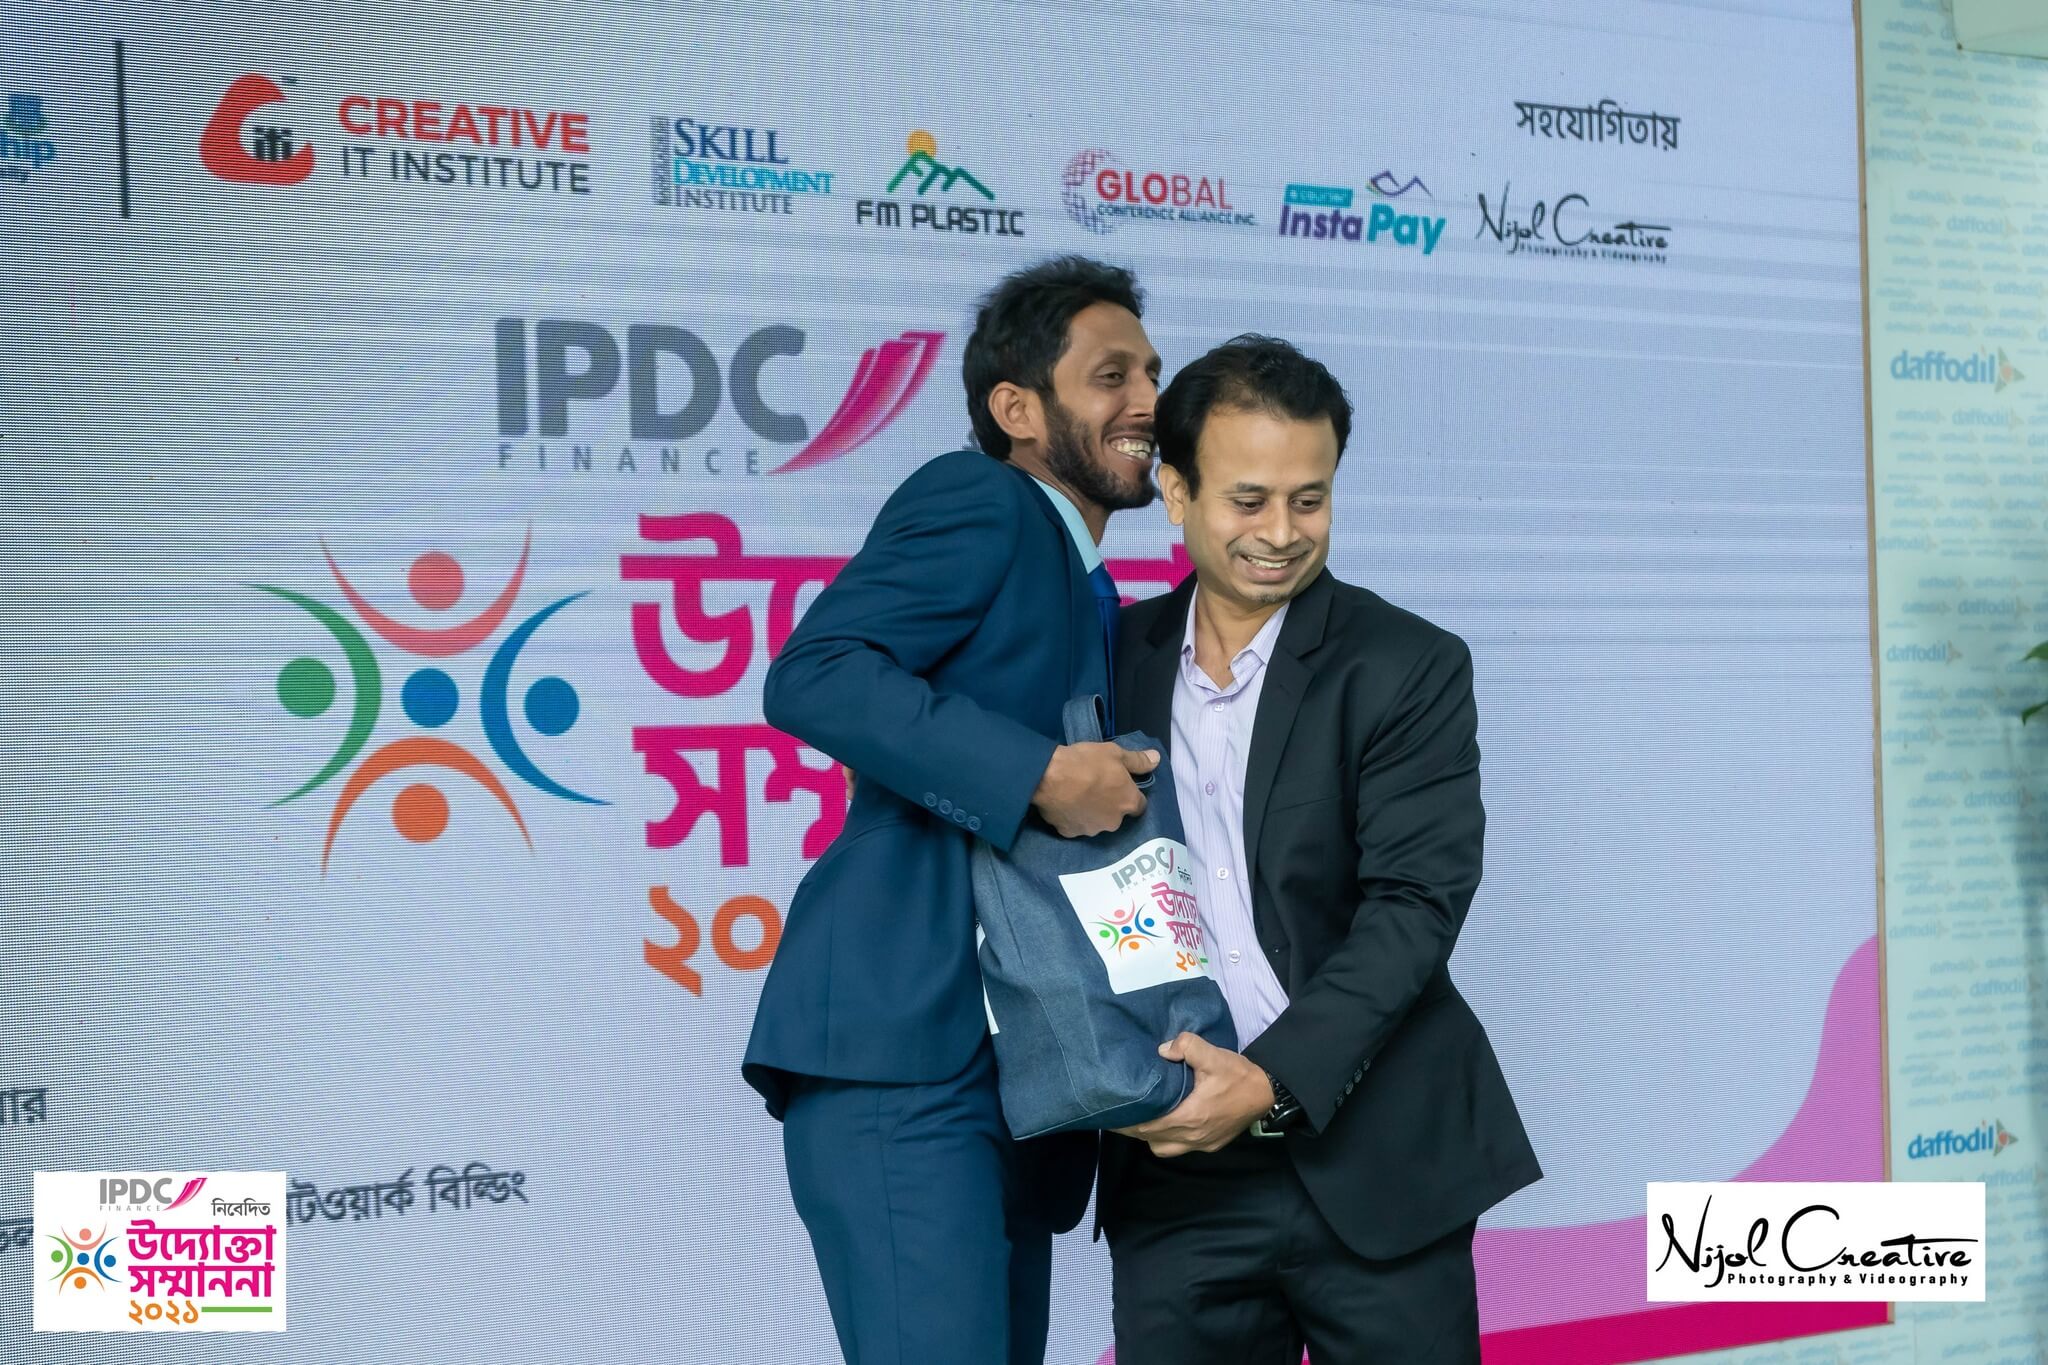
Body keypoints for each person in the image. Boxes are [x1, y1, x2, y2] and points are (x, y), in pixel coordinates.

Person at [743, 255, 1166, 1364]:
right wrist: (1035, 773)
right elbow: (815, 673)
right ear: (1016, 410)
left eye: (1152, 375)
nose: (1145, 402)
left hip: (1028, 1082)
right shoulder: (983, 500)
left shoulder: (1095, 588)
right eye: (1110, 376)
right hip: (907, 1059)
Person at [1100, 335, 1542, 1364]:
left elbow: (1415, 905)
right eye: (1248, 500)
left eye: (1310, 500)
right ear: (1175, 490)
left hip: (1376, 1155)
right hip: (1175, 1178)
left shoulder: (1407, 664)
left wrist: (1268, 1081)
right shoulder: (1109, 659)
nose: (1281, 533)